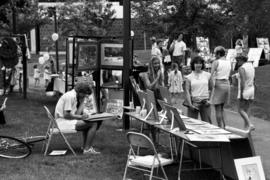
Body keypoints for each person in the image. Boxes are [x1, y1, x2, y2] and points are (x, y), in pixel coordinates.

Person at [54, 82, 101, 154]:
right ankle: (87, 149)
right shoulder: (70, 96)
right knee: (93, 123)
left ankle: (86, 147)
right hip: (63, 122)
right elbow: (66, 115)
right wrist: (81, 117)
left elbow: (76, 114)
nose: (86, 96)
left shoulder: (73, 96)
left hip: (66, 121)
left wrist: (82, 103)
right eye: (85, 94)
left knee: (89, 122)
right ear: (81, 92)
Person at [184, 56, 212, 123]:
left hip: (205, 102)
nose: (198, 65)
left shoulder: (208, 75)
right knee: (192, 123)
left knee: (207, 124)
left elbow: (212, 88)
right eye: (196, 63)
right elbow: (187, 91)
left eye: (200, 63)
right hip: (194, 102)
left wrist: (211, 100)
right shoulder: (189, 77)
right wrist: (190, 104)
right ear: (193, 64)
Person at [210, 46, 231, 128]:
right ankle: (225, 126)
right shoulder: (228, 62)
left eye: (215, 54)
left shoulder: (216, 62)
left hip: (219, 83)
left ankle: (220, 127)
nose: (215, 55)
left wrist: (211, 86)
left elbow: (211, 75)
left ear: (219, 54)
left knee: (217, 108)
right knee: (222, 108)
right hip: (227, 83)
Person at [234, 56, 255, 131]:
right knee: (247, 109)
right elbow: (253, 78)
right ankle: (246, 128)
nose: (237, 62)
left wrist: (242, 92)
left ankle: (249, 124)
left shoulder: (241, 68)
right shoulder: (251, 66)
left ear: (241, 60)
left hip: (245, 90)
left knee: (240, 109)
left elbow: (243, 81)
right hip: (251, 89)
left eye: (238, 60)